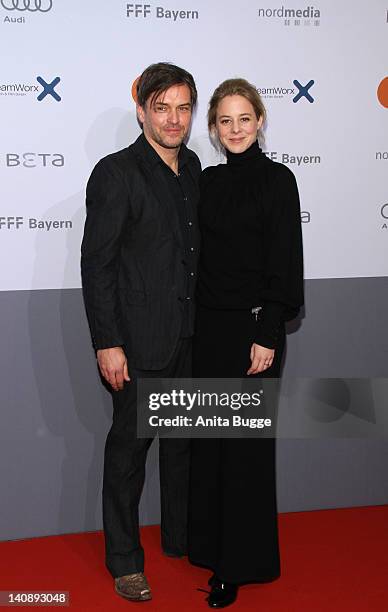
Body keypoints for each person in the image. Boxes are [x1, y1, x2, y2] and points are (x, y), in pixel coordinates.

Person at [81, 62, 201, 603]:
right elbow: (98, 264)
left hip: (191, 338)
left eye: (183, 107)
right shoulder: (116, 172)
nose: (173, 119)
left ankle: (181, 539)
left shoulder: (195, 167)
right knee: (128, 456)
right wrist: (108, 342)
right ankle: (126, 561)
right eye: (162, 107)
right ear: (142, 110)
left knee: (185, 449)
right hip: (138, 342)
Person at [188, 79, 304, 608]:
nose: (235, 129)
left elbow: (284, 260)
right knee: (213, 447)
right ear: (213, 127)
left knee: (244, 455)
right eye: (225, 121)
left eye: (244, 119)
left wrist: (268, 333)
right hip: (209, 332)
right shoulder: (206, 182)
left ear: (259, 121)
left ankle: (236, 567)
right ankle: (212, 549)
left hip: (252, 333)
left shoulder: (278, 180)